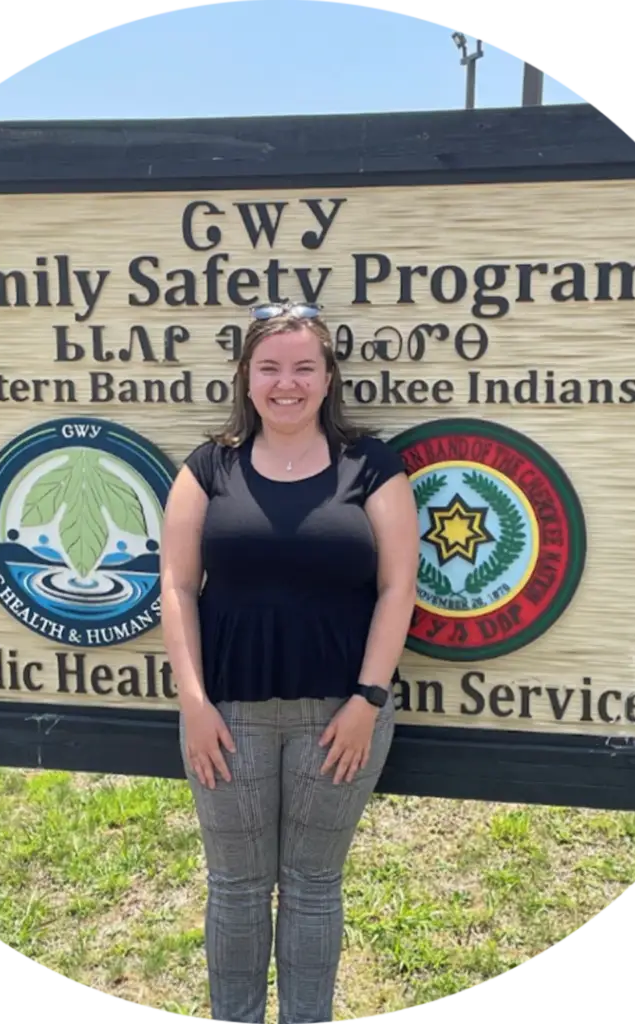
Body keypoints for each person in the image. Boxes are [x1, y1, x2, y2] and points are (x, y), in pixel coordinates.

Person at [160, 302, 419, 1024]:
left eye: (304, 367)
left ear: (328, 377)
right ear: (245, 379)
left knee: (312, 885)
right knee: (236, 889)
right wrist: (194, 703)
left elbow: (400, 586)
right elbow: (176, 587)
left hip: (341, 718)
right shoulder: (208, 468)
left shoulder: (372, 465)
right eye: (270, 367)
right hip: (227, 716)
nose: (287, 383)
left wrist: (369, 699)